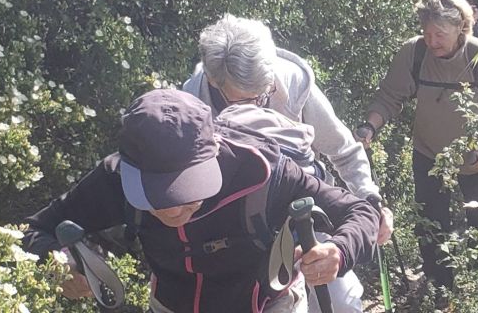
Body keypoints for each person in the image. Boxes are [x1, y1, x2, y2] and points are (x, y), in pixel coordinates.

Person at [23, 89, 380, 313]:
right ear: (130, 170)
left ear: (212, 156)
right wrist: (60, 266)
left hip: (270, 303)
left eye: (184, 190)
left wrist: (339, 250)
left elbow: (359, 210)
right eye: (153, 194)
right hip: (171, 303)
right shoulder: (113, 179)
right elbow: (35, 231)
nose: (172, 209)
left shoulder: (262, 172)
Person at [181, 16, 391, 313]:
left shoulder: (290, 81)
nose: (256, 107)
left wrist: (370, 197)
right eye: (240, 101)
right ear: (214, 81)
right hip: (236, 230)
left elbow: (343, 150)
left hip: (305, 206)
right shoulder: (192, 102)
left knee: (342, 304)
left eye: (263, 96)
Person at [356, 0, 478, 295]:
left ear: (462, 26)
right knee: (430, 227)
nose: (432, 41)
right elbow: (390, 96)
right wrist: (370, 126)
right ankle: (439, 291)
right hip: (429, 154)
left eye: (440, 34)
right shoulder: (415, 52)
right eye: (427, 33)